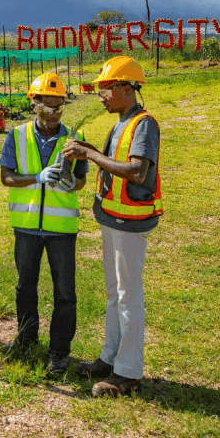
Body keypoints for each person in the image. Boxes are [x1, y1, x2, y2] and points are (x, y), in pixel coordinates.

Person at [62, 56, 162, 398]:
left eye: (104, 89)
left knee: (128, 295)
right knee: (114, 292)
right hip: (113, 218)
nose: (100, 96)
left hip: (130, 221)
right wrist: (88, 149)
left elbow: (136, 171)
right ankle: (110, 357)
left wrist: (90, 156)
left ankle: (129, 371)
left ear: (124, 88)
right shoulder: (122, 121)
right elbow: (117, 162)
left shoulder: (144, 124)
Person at [0, 72, 88, 374]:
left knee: (65, 293)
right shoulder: (17, 135)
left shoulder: (75, 139)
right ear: (33, 104)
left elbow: (82, 182)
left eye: (59, 107)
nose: (54, 114)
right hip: (26, 227)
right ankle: (26, 340)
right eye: (48, 107)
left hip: (61, 229)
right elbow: (6, 177)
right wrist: (35, 178)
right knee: (25, 287)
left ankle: (59, 352)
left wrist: (71, 182)